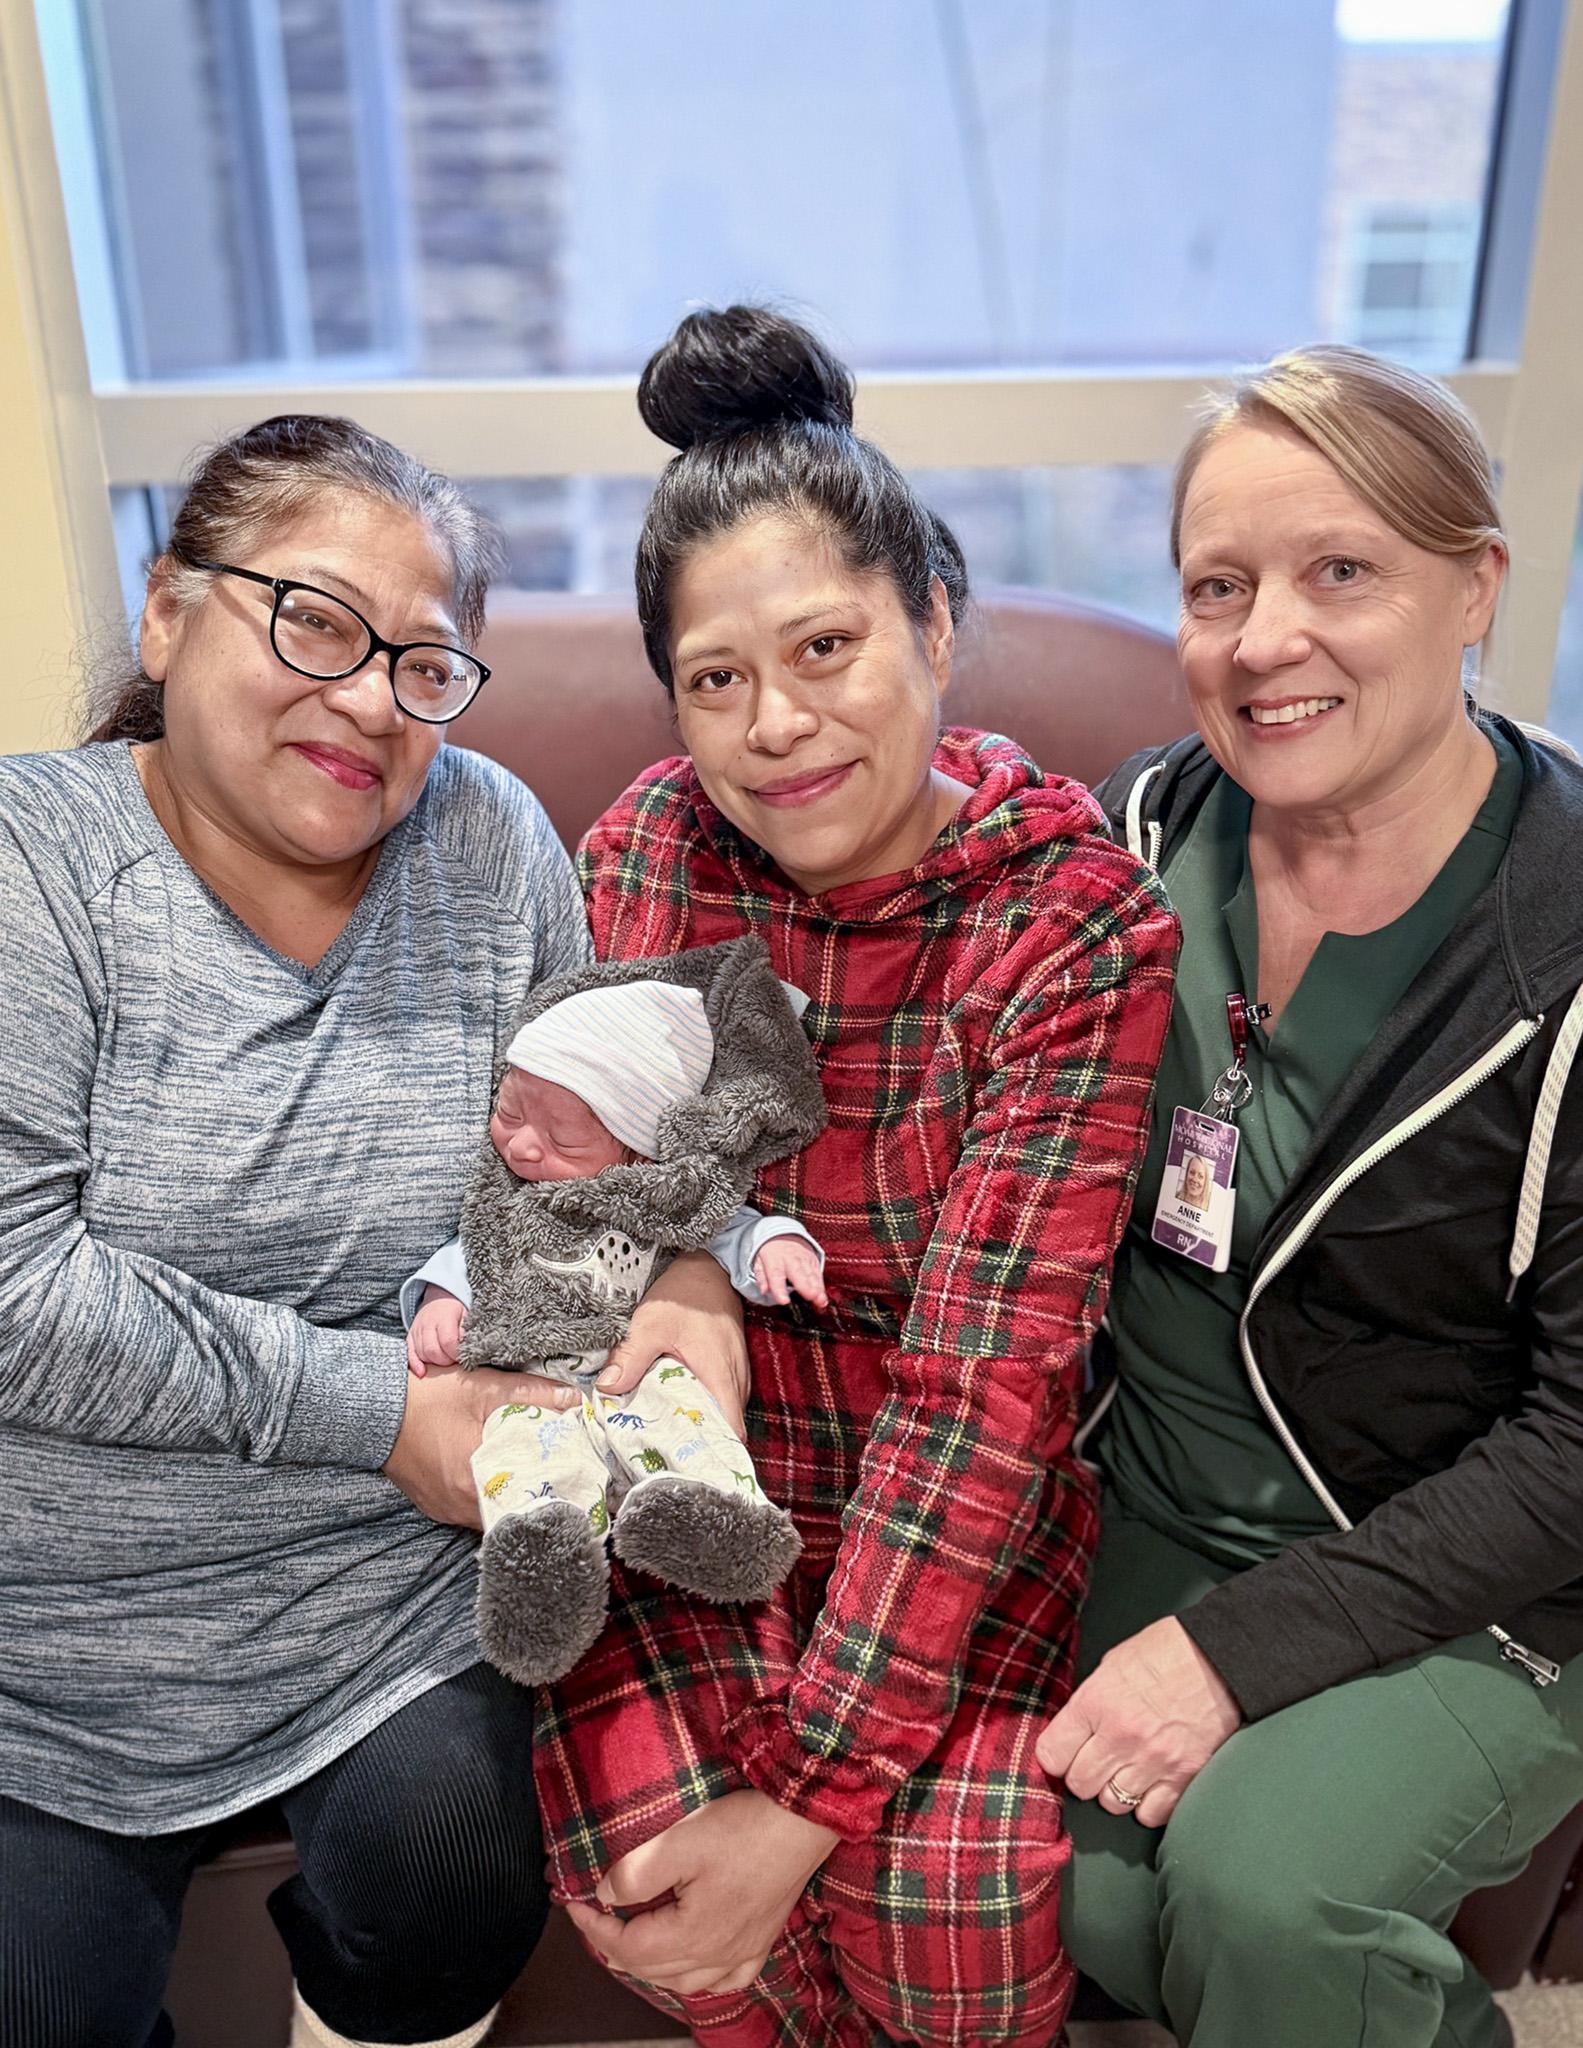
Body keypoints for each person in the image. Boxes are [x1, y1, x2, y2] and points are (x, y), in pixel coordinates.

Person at [0, 414, 741, 2048]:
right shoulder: (30, 864)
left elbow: (581, 1167)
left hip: (382, 1591)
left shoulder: (484, 839)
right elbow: (15, 1289)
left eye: (421, 663)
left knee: (455, 1866)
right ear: (169, 612)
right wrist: (385, 1412)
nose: (369, 702)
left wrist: (690, 1275)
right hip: (48, 1634)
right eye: (317, 626)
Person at [532, 305, 1180, 2047]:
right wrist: (684, 1271)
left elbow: (988, 1387)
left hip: (957, 1504)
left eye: (825, 647)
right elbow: (584, 1199)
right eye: (715, 679)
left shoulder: (1070, 924)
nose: (775, 725)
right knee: (648, 1855)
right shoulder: (648, 852)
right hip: (696, 1480)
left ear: (934, 621)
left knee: (938, 1901)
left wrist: (808, 1797)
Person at [1038, 345, 1583, 2048]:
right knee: (1064, 1886)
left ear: (1472, 587)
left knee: (1266, 1895)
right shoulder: (1136, 838)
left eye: (1338, 569)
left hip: (1478, 1562)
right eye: (1217, 586)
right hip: (1152, 1494)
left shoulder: (1565, 948)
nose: (1263, 638)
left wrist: (1227, 1655)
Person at [401, 951, 829, 1685]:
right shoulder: (507, 1202)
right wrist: (442, 1301)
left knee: (685, 1414)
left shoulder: (659, 1197)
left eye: (564, 1139)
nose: (522, 1145)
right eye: (509, 1113)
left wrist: (777, 1245)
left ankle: (712, 1517)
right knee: (518, 1455)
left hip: (638, 1370)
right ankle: (543, 1571)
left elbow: (731, 1229)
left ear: (636, 1150)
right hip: (531, 1384)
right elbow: (473, 1253)